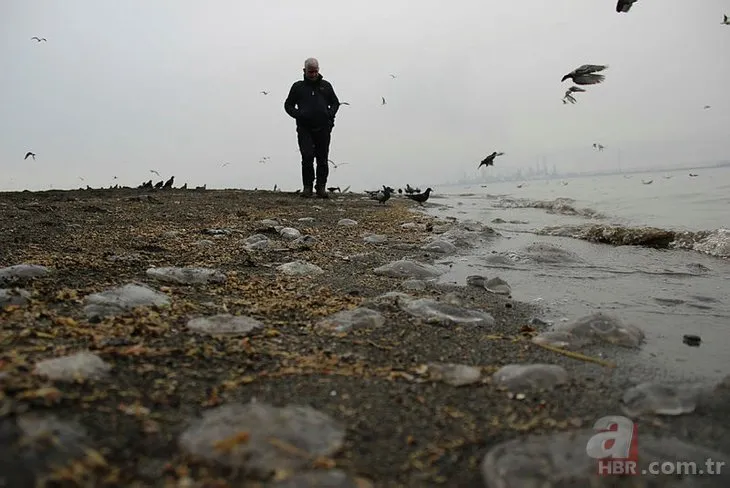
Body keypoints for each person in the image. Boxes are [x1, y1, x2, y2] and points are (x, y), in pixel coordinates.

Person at [284, 57, 340, 198]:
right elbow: (288, 105)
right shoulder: (298, 87)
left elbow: (335, 103)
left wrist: (329, 115)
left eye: (315, 71)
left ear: (318, 70)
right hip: (305, 128)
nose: (313, 74)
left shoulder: (326, 86)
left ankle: (321, 187)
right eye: (310, 72)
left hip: (323, 128)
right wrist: (298, 114)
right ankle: (307, 187)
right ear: (304, 71)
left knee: (322, 158)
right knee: (307, 156)